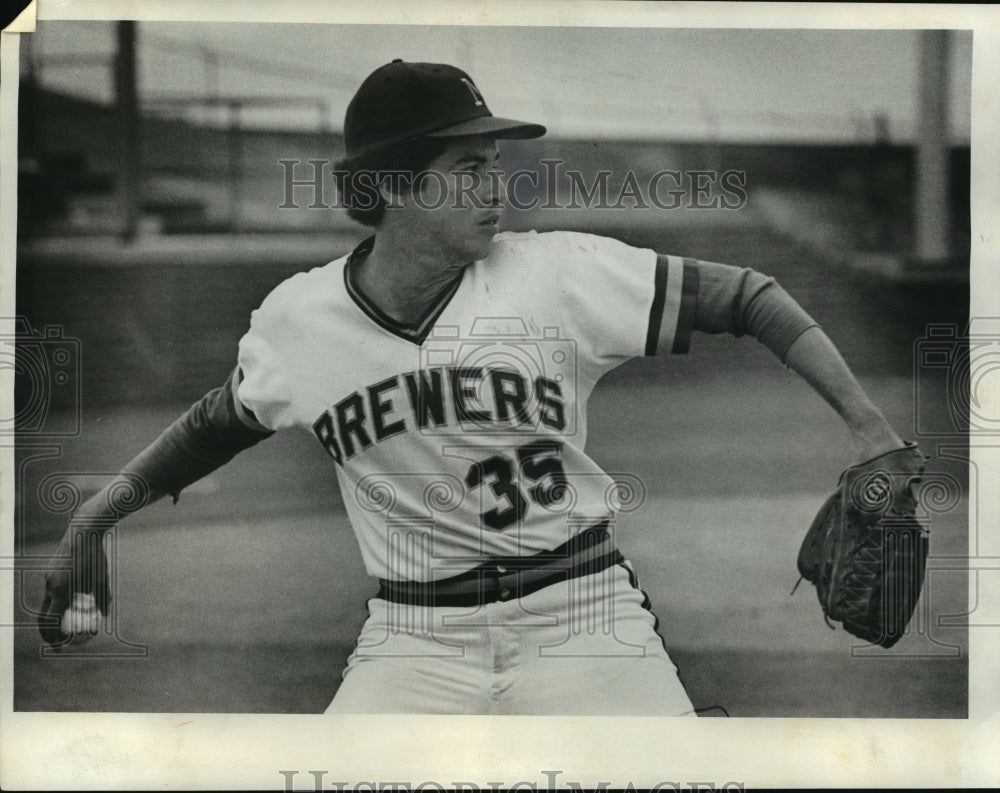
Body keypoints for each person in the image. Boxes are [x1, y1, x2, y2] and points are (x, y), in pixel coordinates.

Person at [39, 60, 909, 715]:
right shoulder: (297, 321)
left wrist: (871, 432)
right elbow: (212, 424)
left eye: (497, 162)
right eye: (469, 166)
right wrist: (93, 516)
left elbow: (752, 296)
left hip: (583, 613)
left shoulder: (556, 275)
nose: (499, 187)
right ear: (388, 186)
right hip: (413, 640)